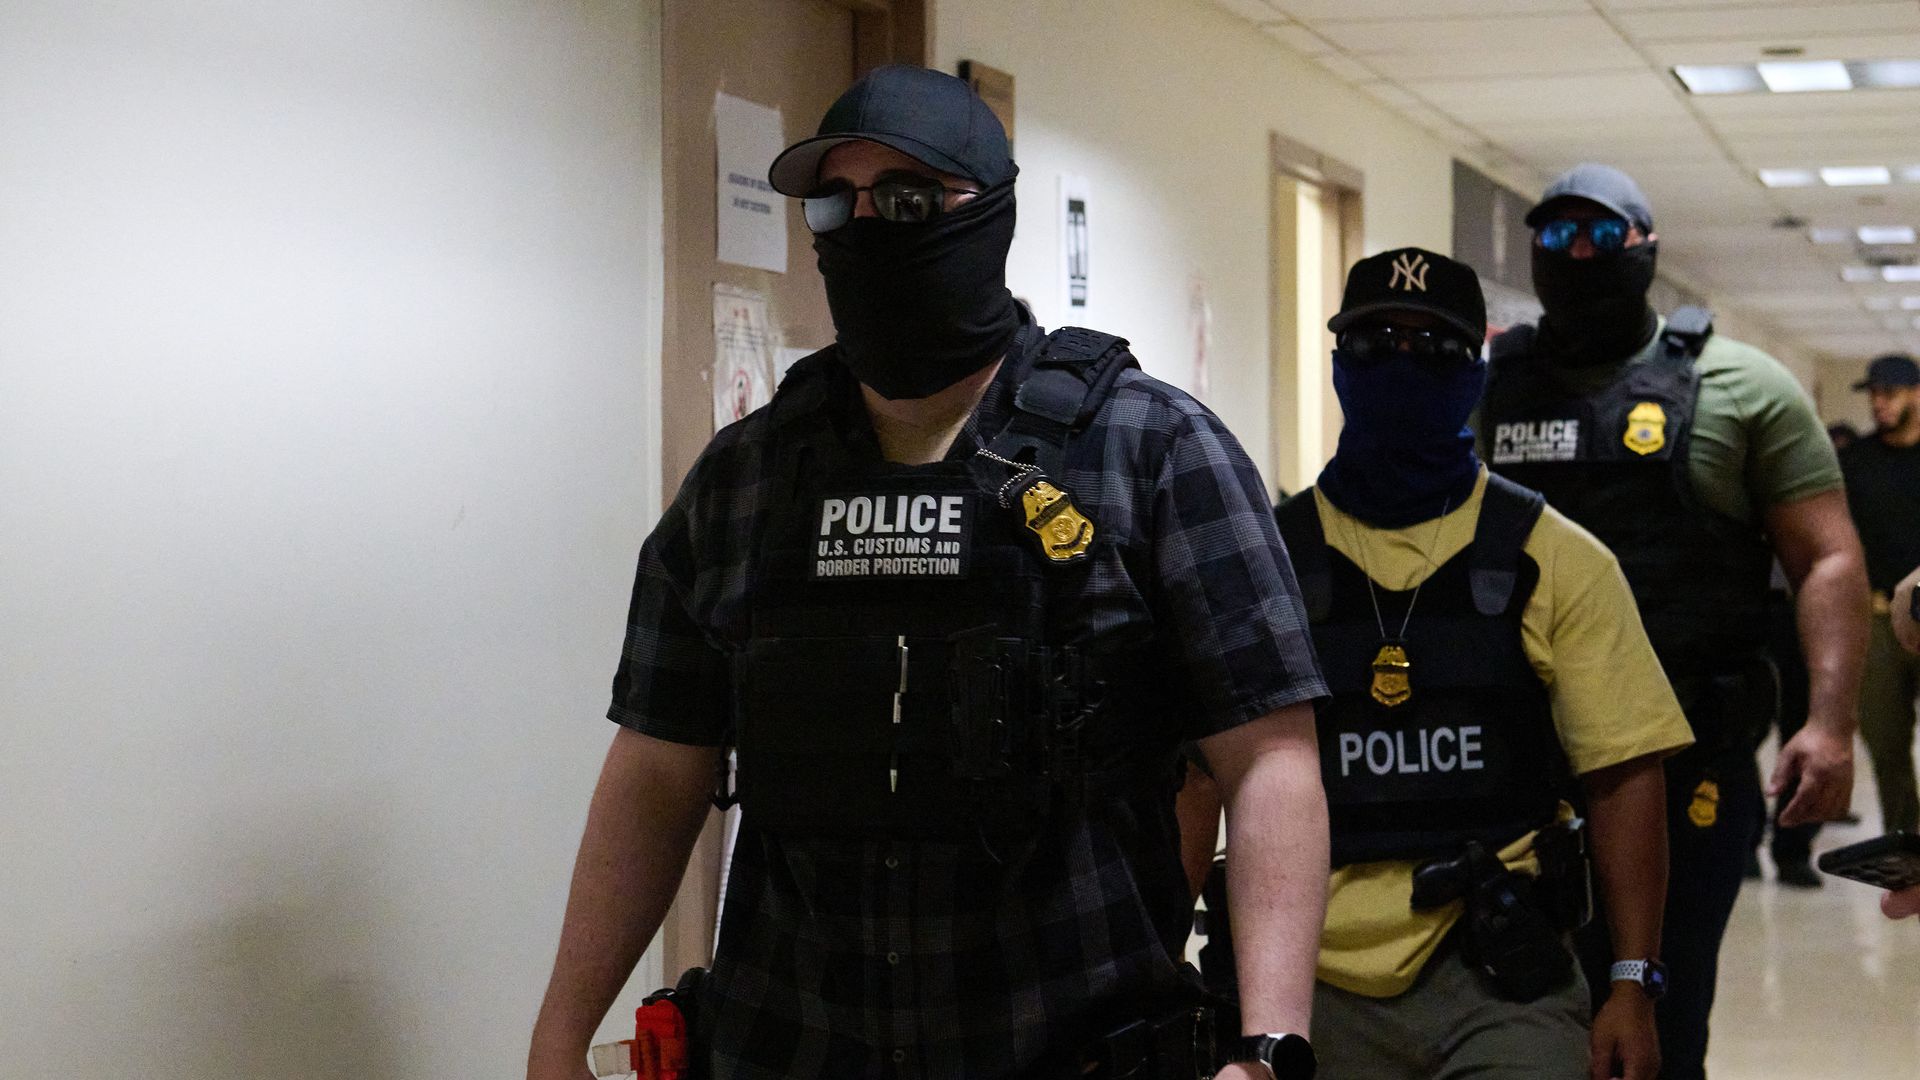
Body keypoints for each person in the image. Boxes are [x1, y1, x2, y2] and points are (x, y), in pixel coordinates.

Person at [526, 65, 1332, 1080]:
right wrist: (561, 1034)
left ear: (987, 216)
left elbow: (1270, 759)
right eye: (836, 203)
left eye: (907, 200)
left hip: (1073, 1046)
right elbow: (655, 769)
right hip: (795, 1043)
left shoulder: (1151, 449)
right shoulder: (746, 481)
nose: (865, 229)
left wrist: (1268, 1045)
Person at [1256, 248, 1690, 1080]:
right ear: (1340, 364)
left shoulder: (1556, 560)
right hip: (1304, 975)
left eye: (1436, 348)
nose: (1403, 364)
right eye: (1378, 342)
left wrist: (1631, 983)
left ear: (1476, 372)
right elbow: (1202, 777)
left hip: (1501, 973)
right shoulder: (1268, 556)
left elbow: (1624, 778)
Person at [1480, 164, 1869, 1080]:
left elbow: (1829, 557)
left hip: (1689, 757)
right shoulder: (1488, 387)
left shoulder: (1742, 386)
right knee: (1513, 1023)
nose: (1579, 255)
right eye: (1557, 236)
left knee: (1660, 1019)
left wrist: (1832, 723)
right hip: (1515, 763)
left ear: (1647, 249)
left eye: (1604, 237)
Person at [1839, 355, 1920, 836]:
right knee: (1886, 741)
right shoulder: (1855, 463)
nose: (1879, 403)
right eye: (1873, 394)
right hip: (1876, 618)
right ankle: (1909, 849)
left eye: (1889, 393)